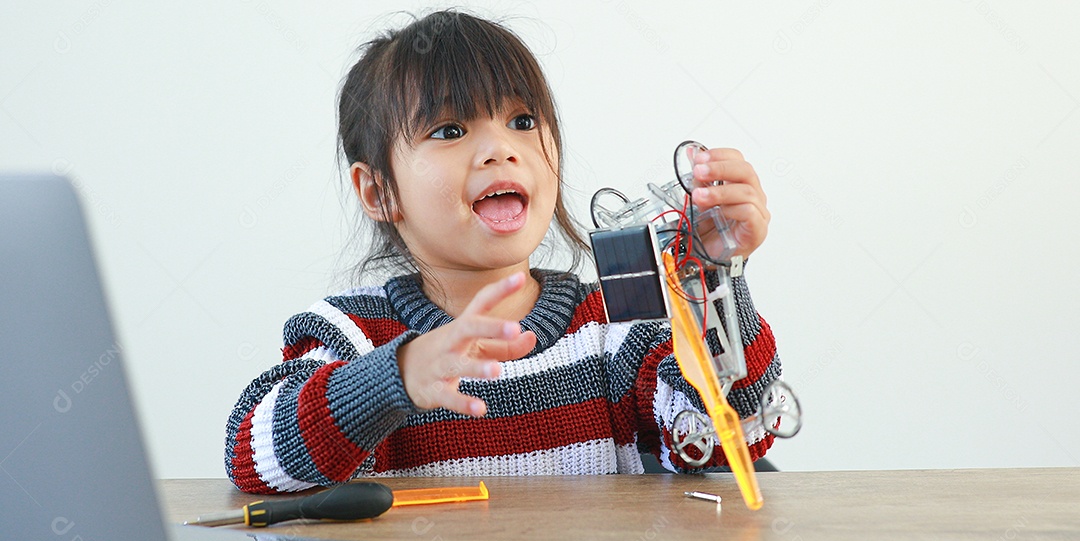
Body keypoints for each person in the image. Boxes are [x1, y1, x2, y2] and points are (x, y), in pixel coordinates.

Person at [225, 10, 781, 494]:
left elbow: (735, 434)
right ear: (379, 192)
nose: (500, 149)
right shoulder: (356, 337)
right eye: (448, 129)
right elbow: (252, 455)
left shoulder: (617, 325)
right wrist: (396, 376)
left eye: (522, 121)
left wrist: (711, 277)